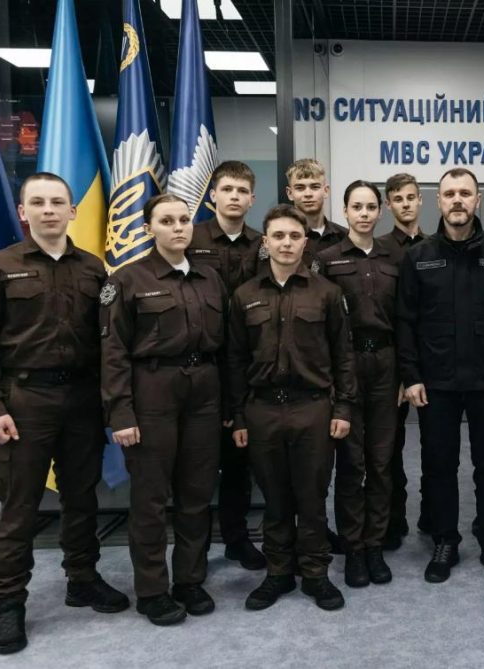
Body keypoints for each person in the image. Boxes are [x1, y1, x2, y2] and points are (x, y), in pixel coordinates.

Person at [0, 173, 129, 654]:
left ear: (72, 211)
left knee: (82, 498)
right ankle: (8, 603)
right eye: (37, 202)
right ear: (23, 212)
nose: (48, 210)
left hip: (82, 400)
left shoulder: (94, 269)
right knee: (19, 508)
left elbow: (109, 339)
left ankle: (82, 578)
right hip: (25, 401)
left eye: (57, 202)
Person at [397, 167, 484, 584]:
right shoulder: (418, 257)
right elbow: (405, 322)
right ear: (439, 201)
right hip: (436, 382)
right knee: (439, 464)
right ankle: (445, 540)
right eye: (450, 193)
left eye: (465, 193)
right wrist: (411, 375)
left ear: (478, 200)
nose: (457, 200)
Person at [101, 193, 227, 626]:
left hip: (204, 392)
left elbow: (227, 347)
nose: (178, 227)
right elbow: (112, 352)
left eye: (184, 220)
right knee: (151, 499)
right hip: (152, 391)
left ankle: (189, 580)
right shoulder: (127, 280)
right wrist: (120, 413)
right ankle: (152, 590)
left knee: (196, 493)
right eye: (167, 221)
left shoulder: (210, 278)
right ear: (148, 228)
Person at [228, 204, 356, 612]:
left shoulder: (328, 294)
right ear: (265, 242)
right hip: (263, 410)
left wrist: (343, 409)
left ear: (305, 243)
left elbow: (344, 356)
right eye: (278, 236)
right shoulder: (245, 296)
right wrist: (239, 416)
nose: (286, 243)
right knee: (275, 498)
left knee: (312, 497)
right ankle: (278, 572)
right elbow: (235, 360)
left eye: (294, 236)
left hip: (312, 409)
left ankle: (316, 573)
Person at [318, 181, 400, 587]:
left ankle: (374, 545)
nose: (364, 214)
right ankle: (352, 547)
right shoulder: (326, 259)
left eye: (370, 207)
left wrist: (406, 374)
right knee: (352, 463)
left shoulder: (396, 256)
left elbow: (407, 318)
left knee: (382, 462)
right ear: (345, 211)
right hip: (346, 364)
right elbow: (320, 325)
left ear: (380, 211)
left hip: (386, 364)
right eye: (357, 207)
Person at [187, 160, 266, 571]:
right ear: (212, 195)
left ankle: (236, 538)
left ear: (252, 199)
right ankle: (195, 550)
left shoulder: (262, 243)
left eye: (242, 191)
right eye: (228, 189)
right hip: (198, 364)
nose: (234, 197)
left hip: (247, 365)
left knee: (239, 460)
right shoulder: (189, 237)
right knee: (197, 465)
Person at [378, 172, 427, 549]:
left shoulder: (436, 246)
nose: (406, 204)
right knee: (390, 447)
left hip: (434, 362)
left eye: (411, 197)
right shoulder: (379, 250)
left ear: (420, 200)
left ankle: (432, 514)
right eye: (398, 198)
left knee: (436, 445)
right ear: (388, 205)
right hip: (393, 362)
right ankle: (394, 520)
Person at [285, 158, 347, 256]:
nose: (308, 194)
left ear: (326, 191)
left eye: (315, 187)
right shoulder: (278, 239)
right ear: (290, 193)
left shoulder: (345, 237)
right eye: (300, 188)